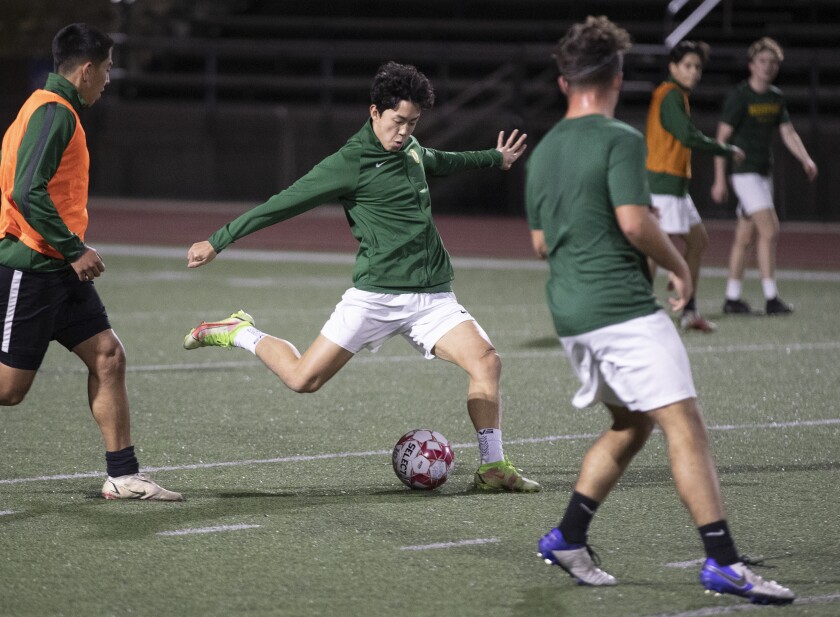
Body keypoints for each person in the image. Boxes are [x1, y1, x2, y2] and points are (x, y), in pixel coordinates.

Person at [525, 16, 793, 604]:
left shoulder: (542, 154)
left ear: (566, 82)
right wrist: (678, 266)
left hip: (570, 315)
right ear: (616, 78)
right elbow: (634, 221)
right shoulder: (620, 139)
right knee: (685, 423)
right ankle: (722, 561)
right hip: (620, 309)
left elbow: (542, 245)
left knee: (633, 423)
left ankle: (568, 536)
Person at [183, 61, 540, 493]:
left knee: (486, 362)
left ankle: (493, 466)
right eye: (397, 121)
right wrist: (217, 240)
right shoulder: (348, 162)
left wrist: (493, 158)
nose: (404, 131)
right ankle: (239, 331)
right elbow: (283, 203)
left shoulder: (409, 148)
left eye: (412, 122)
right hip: (376, 297)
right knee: (302, 380)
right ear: (374, 113)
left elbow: (436, 160)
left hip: (432, 297)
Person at [0, 24, 182, 500]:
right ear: (85, 70)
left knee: (108, 356)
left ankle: (122, 476)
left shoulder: (51, 108)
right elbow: (26, 191)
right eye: (105, 69)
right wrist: (74, 248)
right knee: (9, 390)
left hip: (56, 269)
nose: (107, 78)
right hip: (34, 266)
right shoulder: (53, 112)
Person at [711, 37, 818, 316]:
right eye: (763, 61)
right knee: (770, 229)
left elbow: (788, 133)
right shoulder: (740, 96)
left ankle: (732, 298)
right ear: (751, 65)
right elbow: (721, 138)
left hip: (762, 173)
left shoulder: (776, 97)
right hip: (743, 173)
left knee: (745, 237)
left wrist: (805, 158)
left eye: (773, 62)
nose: (768, 67)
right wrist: (720, 178)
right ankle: (771, 298)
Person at [645, 40, 745, 333]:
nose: (693, 72)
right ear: (673, 67)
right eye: (687, 66)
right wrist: (725, 149)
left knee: (696, 241)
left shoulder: (677, 95)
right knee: (653, 253)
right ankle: (642, 312)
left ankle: (686, 309)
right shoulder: (670, 94)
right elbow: (687, 136)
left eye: (698, 67)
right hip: (664, 185)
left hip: (674, 186)